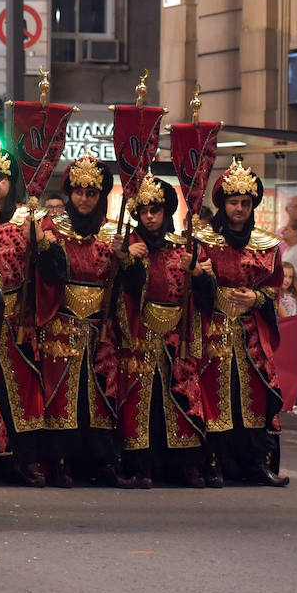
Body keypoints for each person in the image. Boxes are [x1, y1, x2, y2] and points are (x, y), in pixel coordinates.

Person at [191, 160, 290, 487]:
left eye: (245, 203)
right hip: (213, 332)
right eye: (233, 202)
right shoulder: (205, 241)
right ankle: (215, 464)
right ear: (223, 204)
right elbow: (194, 290)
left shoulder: (268, 246)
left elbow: (276, 288)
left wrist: (257, 299)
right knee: (216, 399)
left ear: (253, 206)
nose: (239, 208)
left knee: (256, 399)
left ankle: (258, 465)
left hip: (251, 336)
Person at [33, 155, 129, 488]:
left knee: (100, 393)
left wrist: (125, 259)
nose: (84, 199)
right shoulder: (53, 229)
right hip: (62, 324)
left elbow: (126, 287)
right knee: (61, 394)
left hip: (100, 330)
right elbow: (45, 274)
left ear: (100, 196)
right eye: (78, 192)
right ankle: (60, 461)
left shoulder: (113, 235)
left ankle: (101, 462)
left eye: (91, 192)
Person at [115, 174, 205, 488]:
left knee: (179, 399)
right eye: (144, 211)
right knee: (142, 402)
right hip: (140, 335)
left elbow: (203, 296)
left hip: (176, 338)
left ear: (167, 213)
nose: (150, 217)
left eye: (156, 210)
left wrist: (197, 272)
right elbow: (121, 292)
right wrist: (127, 262)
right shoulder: (129, 248)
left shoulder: (185, 249)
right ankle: (142, 466)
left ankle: (186, 466)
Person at [0, 144, 46, 487]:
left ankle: (24, 460)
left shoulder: (28, 220)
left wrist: (41, 244)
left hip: (17, 321)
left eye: (0, 177)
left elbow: (51, 274)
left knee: (20, 391)